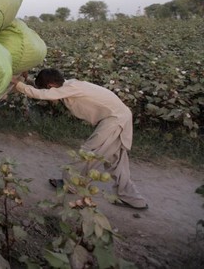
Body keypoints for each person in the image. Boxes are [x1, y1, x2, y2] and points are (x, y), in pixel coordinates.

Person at [11, 68, 148, 210]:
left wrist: (18, 84)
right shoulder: (70, 85)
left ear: (51, 85)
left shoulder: (70, 89)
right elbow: (46, 91)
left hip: (115, 120)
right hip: (119, 117)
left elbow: (42, 94)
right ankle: (135, 200)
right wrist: (27, 81)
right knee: (117, 162)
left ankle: (70, 184)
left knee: (88, 153)